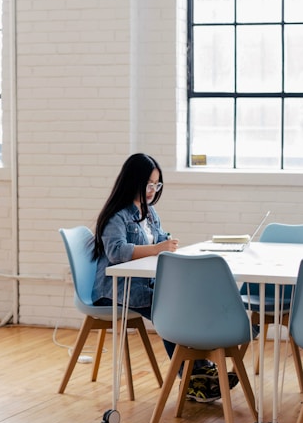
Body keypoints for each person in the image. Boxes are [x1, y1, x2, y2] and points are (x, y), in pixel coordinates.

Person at [91, 153, 237, 402]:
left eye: (156, 185)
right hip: (114, 291)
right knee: (171, 309)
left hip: (144, 284)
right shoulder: (117, 215)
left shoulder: (149, 213)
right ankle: (193, 377)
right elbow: (116, 252)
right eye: (148, 184)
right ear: (132, 181)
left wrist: (165, 244)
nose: (152, 190)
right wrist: (158, 248)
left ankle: (200, 371)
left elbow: (157, 241)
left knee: (185, 300)